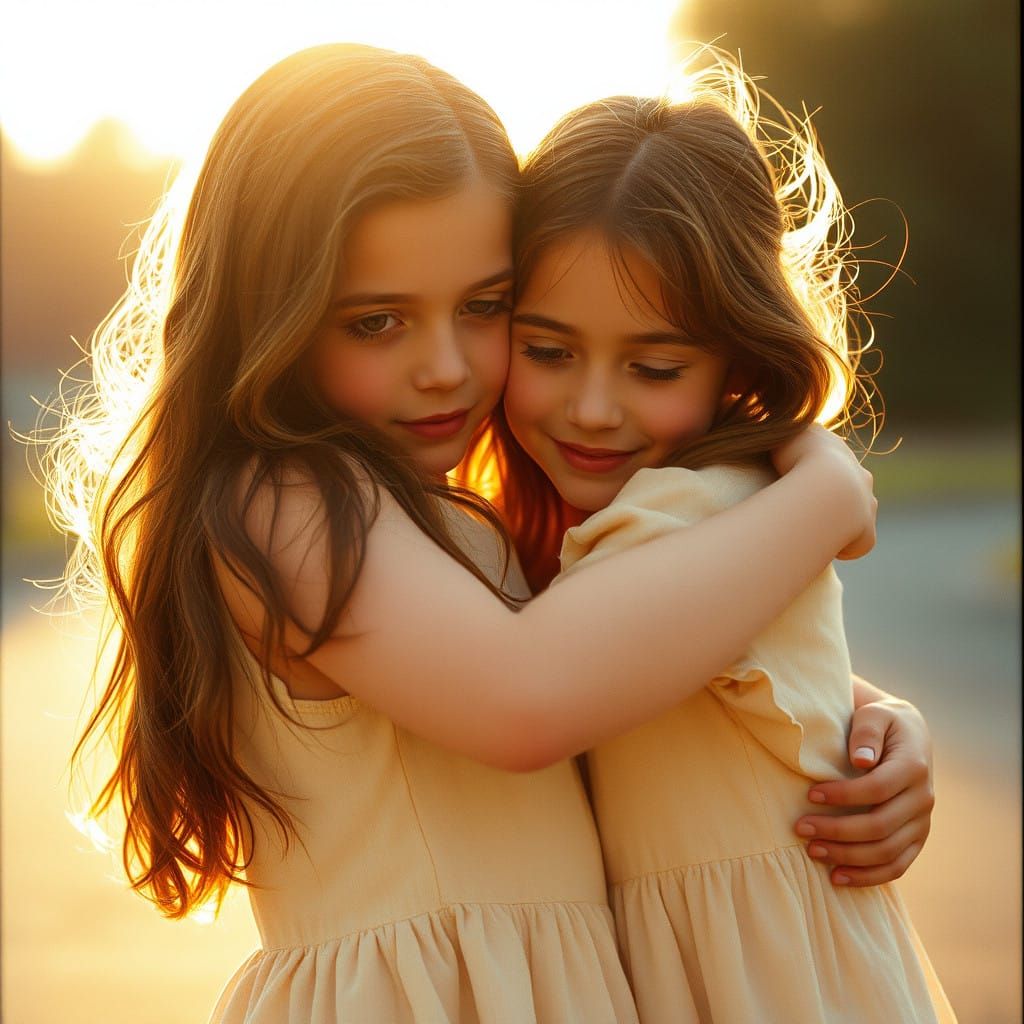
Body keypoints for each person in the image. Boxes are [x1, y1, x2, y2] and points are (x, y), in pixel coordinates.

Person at [46, 43, 927, 1024]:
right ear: (270, 316)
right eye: (377, 322)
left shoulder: (438, 515)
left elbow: (620, 650)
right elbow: (524, 697)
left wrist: (865, 715)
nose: (446, 368)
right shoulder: (281, 503)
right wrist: (825, 497)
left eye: (484, 308)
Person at [494, 51, 955, 1022]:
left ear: (734, 358)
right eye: (546, 351)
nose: (590, 406)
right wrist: (886, 713)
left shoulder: (686, 510)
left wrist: (831, 492)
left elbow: (531, 673)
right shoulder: (718, 510)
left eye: (653, 366)